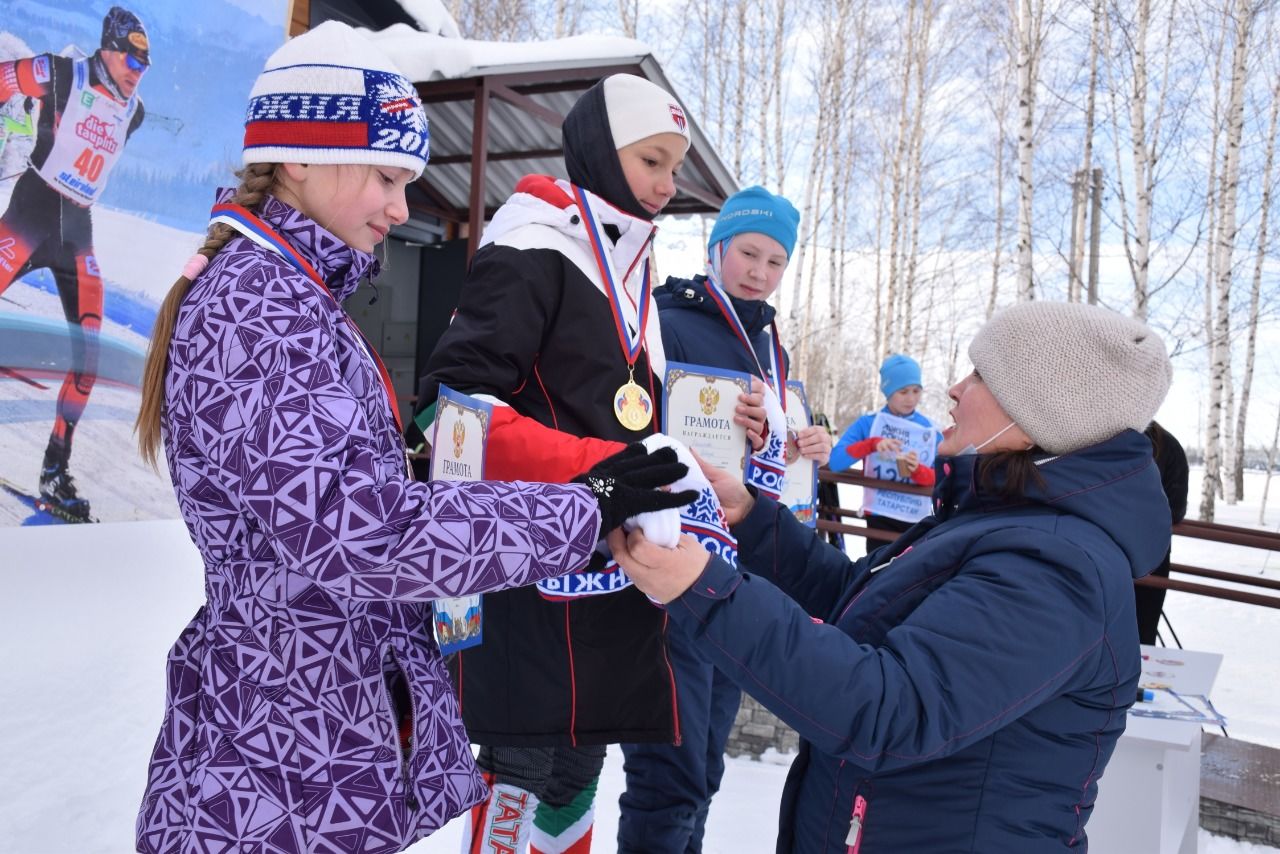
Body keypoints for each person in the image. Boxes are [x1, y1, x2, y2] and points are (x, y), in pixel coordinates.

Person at [131, 24, 694, 854]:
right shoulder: (258, 309)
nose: (401, 210)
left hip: (309, 743)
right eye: (388, 178)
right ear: (299, 160)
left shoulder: (295, 298)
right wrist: (580, 507)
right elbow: (359, 531)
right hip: (274, 765)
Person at [611, 301, 1175, 852]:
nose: (953, 388)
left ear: (1036, 420)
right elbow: (861, 607)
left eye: (982, 375)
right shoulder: (1003, 520)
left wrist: (706, 593)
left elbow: (892, 708)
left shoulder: (1056, 569)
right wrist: (753, 520)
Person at [414, 73, 695, 854]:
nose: (668, 186)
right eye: (652, 162)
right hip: (528, 580)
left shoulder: (630, 269)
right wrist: (600, 471)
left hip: (606, 582)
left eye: (676, 167)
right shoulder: (534, 245)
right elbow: (452, 415)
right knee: (524, 772)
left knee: (577, 779)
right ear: (602, 154)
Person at [618, 185, 830, 853]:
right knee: (670, 773)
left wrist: (801, 439)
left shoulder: (773, 348)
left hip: (731, 574)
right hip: (671, 561)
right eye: (747, 252)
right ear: (716, 249)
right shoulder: (666, 319)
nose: (759, 271)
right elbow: (628, 424)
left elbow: (764, 464)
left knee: (704, 769)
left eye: (775, 261)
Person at [0, 6, 150, 521]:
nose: (136, 70)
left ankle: (54, 470)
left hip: (76, 232)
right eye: (130, 57)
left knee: (88, 359)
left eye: (144, 64)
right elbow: (5, 81)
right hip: (31, 214)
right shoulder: (63, 73)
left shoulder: (136, 111)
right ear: (107, 49)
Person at [828, 354, 939, 553]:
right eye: (903, 391)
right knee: (877, 574)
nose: (911, 398)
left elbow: (940, 477)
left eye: (916, 390)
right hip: (880, 516)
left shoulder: (930, 430)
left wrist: (917, 471)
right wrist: (872, 445)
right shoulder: (869, 423)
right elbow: (836, 461)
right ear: (888, 392)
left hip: (916, 518)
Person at [1136, 421, 1189, 644]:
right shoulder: (1166, 444)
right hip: (1150, 555)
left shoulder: (1163, 445)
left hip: (1108, 552)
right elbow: (1175, 511)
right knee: (1142, 635)